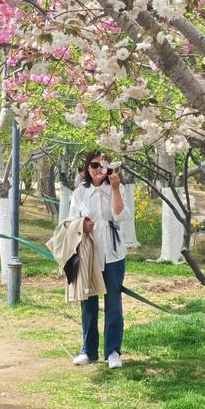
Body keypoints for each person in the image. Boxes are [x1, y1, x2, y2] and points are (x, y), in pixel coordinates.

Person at [67, 150, 129, 369]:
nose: (99, 171)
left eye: (103, 166)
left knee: (113, 303)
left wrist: (114, 189)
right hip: (89, 253)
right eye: (95, 166)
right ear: (87, 168)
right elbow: (70, 220)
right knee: (89, 303)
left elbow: (120, 216)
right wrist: (81, 225)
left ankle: (112, 351)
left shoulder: (116, 188)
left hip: (113, 254)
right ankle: (88, 350)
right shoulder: (80, 193)